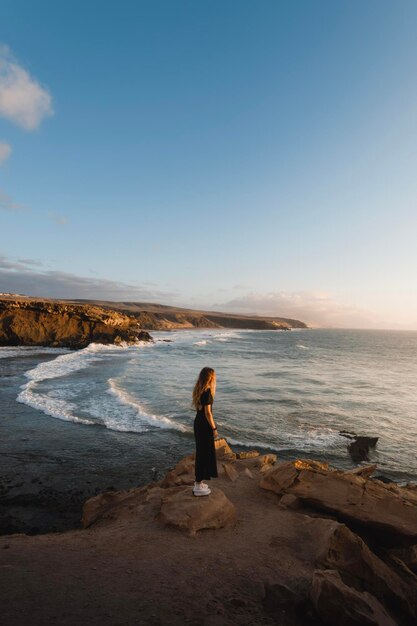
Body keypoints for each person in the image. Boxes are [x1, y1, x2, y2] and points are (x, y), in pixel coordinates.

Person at [192, 366, 219, 496]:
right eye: (214, 376)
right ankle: (198, 486)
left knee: (201, 453)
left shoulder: (199, 389)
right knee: (204, 454)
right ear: (210, 378)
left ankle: (199, 482)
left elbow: (200, 410)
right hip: (204, 425)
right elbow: (208, 413)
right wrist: (214, 428)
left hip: (198, 423)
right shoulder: (207, 392)